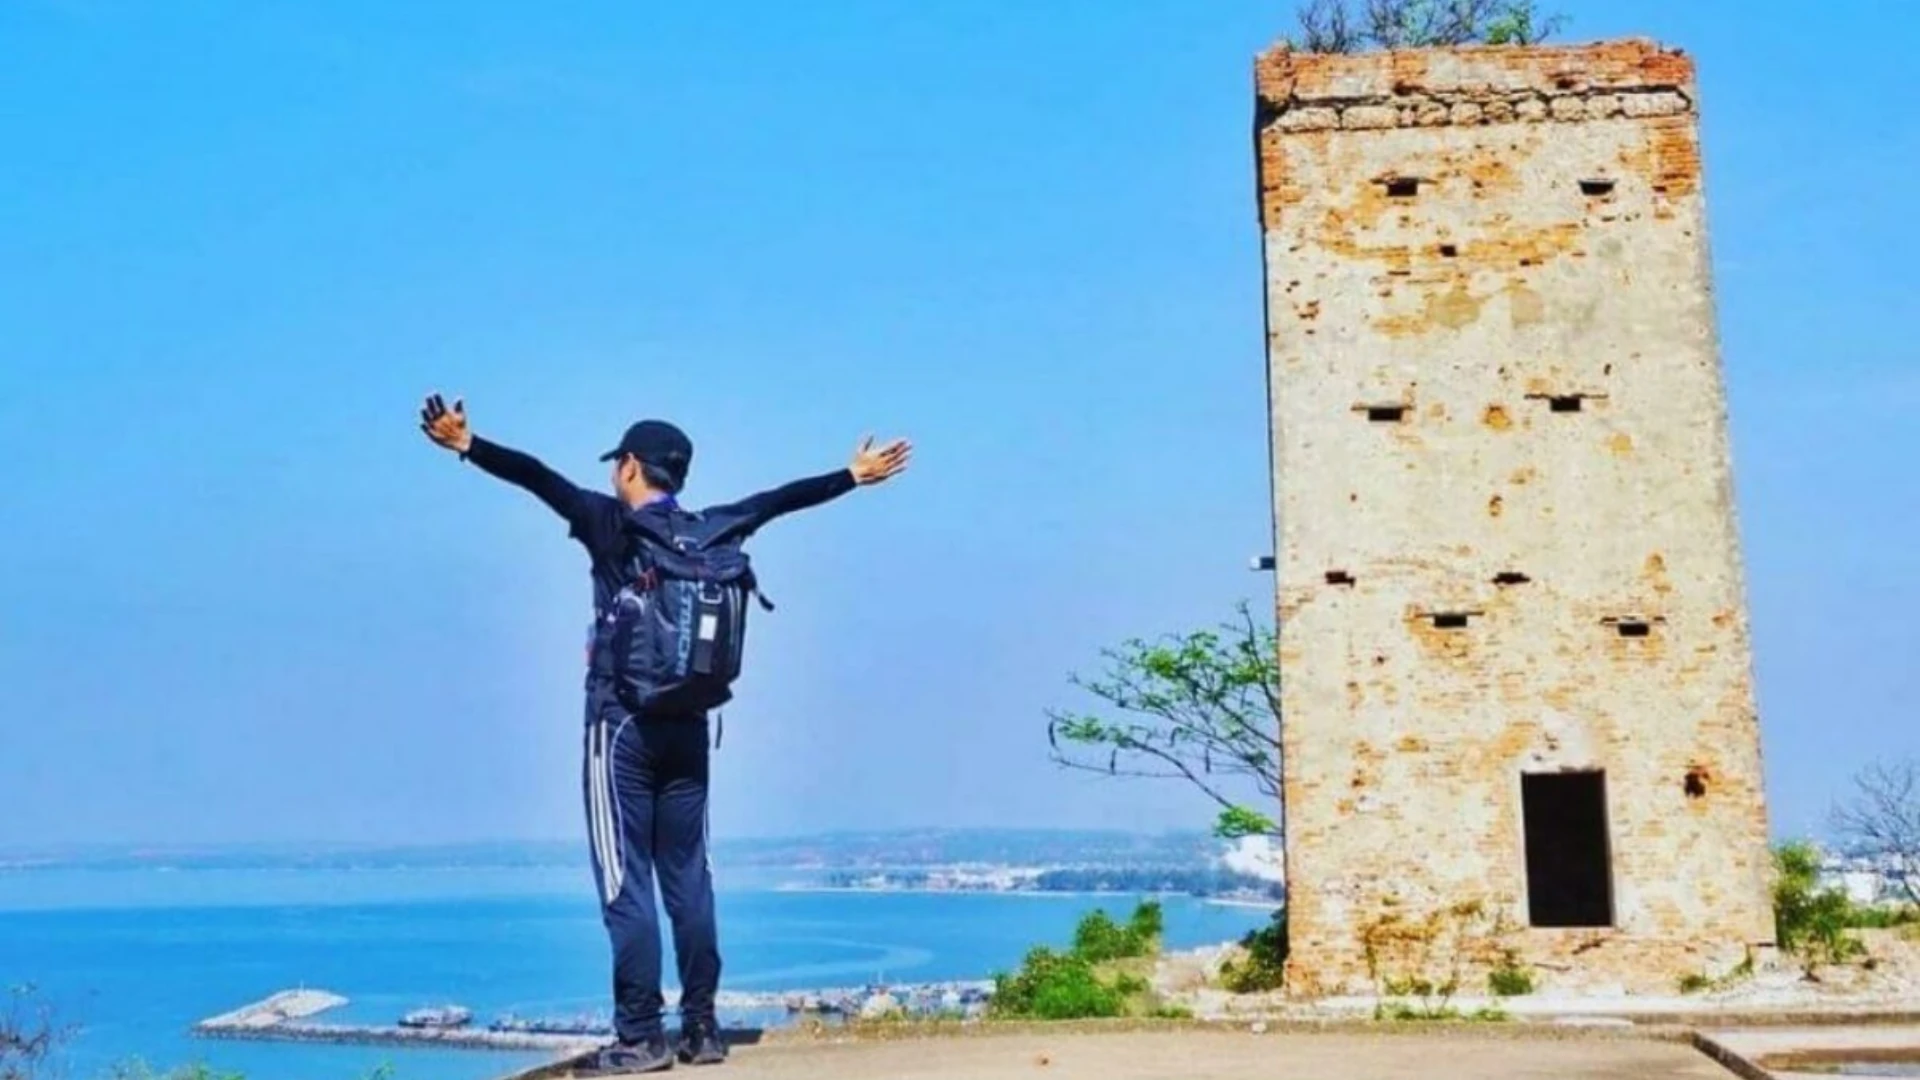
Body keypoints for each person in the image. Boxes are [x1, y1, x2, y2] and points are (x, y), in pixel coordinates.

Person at [419, 394, 911, 1072]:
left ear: (629, 466)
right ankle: (702, 1029)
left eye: (616, 465)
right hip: (690, 728)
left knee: (627, 882)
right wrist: (851, 475)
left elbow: (537, 478)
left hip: (620, 728)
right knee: (689, 879)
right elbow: (779, 500)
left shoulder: (608, 522)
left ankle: (641, 1036)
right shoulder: (714, 528)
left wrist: (468, 445)